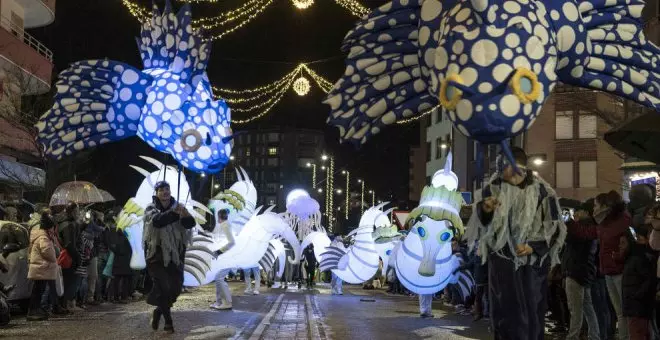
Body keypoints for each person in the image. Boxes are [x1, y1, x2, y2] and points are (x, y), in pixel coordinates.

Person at [467, 147, 566, 340]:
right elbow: (481, 224)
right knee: (503, 314)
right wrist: (486, 209)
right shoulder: (491, 188)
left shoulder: (543, 191)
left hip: (530, 266)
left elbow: (555, 228)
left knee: (529, 313)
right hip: (501, 264)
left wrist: (534, 247)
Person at [566, 191, 631, 340]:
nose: (594, 209)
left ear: (605, 207)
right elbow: (586, 233)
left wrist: (619, 257)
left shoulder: (622, 221)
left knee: (623, 312)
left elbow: (628, 245)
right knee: (619, 312)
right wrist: (569, 222)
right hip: (608, 271)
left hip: (619, 272)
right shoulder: (603, 224)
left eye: (596, 206)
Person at [143, 181, 195, 333]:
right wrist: (174, 214)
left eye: (167, 189)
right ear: (157, 193)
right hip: (156, 255)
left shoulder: (178, 207)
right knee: (163, 288)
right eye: (161, 190)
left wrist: (185, 215)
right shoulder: (150, 208)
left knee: (176, 288)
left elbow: (190, 224)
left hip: (175, 256)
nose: (165, 192)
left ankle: (159, 311)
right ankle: (169, 323)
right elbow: (157, 222)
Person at [563, 202, 600, 340]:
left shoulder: (582, 229)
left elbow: (570, 241)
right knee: (587, 308)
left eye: (580, 211)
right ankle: (594, 336)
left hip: (576, 273)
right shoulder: (590, 228)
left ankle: (573, 337)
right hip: (585, 273)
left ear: (587, 213)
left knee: (575, 309)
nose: (576, 214)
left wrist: (568, 223)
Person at [620, 226, 656, 340]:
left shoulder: (637, 259)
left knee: (637, 334)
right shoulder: (632, 259)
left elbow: (649, 280)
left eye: (623, 243)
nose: (619, 246)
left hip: (637, 308)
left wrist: (637, 296)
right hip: (635, 307)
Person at [26, 211, 59, 321]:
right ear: (48, 228)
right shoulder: (43, 238)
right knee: (38, 290)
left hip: (41, 268)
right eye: (52, 228)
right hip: (41, 268)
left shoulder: (42, 235)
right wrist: (54, 258)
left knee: (38, 290)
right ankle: (33, 311)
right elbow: (46, 251)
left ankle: (35, 309)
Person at [57, 202, 82, 312]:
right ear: (71, 212)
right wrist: (77, 257)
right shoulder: (69, 225)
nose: (78, 213)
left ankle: (65, 304)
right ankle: (66, 305)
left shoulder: (64, 223)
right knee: (69, 281)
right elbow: (69, 244)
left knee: (66, 281)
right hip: (68, 257)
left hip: (65, 255)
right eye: (77, 211)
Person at [210, 208, 235, 310]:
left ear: (218, 216)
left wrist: (219, 251)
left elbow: (232, 242)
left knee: (219, 278)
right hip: (223, 258)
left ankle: (227, 302)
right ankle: (219, 302)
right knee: (218, 278)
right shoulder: (224, 225)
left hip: (226, 258)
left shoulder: (225, 225)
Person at [109, 226, 132, 304]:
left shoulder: (116, 237)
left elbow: (112, 247)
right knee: (125, 280)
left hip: (118, 260)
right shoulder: (128, 237)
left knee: (116, 280)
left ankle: (115, 297)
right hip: (125, 260)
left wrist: (116, 251)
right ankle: (123, 297)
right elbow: (130, 248)